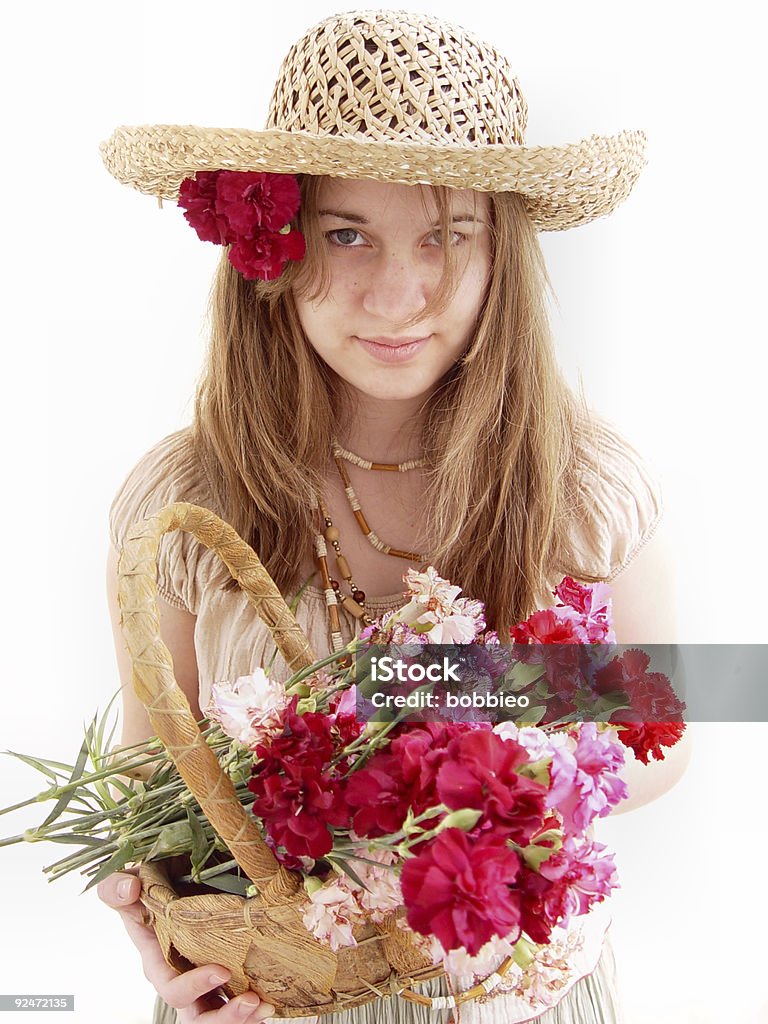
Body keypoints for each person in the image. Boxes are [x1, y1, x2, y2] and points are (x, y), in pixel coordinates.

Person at [96, 9, 689, 1024]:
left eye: (450, 233)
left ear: (501, 250)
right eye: (347, 233)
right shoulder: (182, 501)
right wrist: (162, 939)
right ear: (271, 247)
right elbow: (154, 766)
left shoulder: (585, 479)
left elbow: (671, 728)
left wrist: (469, 755)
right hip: (276, 999)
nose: (401, 294)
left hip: (526, 997)